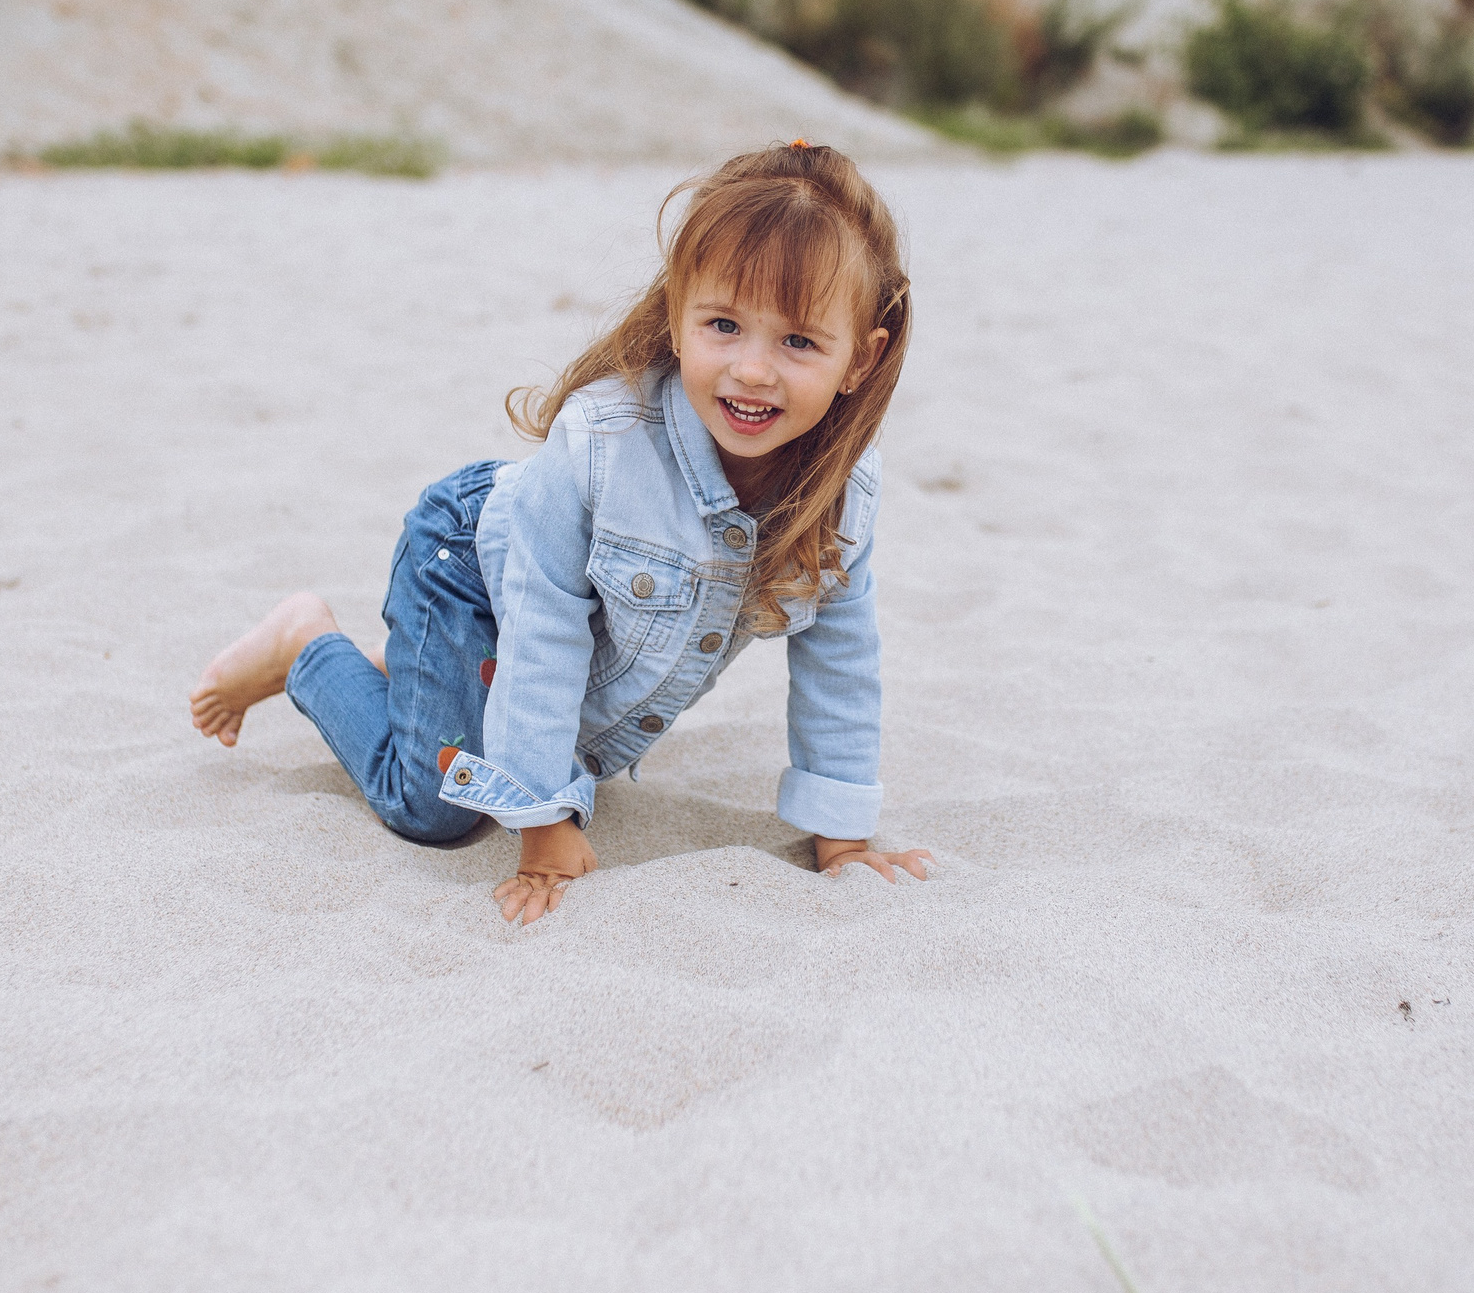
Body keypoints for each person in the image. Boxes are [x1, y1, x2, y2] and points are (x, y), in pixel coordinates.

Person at [189, 141, 933, 924]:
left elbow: (841, 659)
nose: (753, 369)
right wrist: (541, 822)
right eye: (723, 324)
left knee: (531, 741)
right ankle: (307, 645)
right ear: (679, 316)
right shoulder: (603, 444)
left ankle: (418, 666)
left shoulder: (842, 497)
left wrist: (841, 837)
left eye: (799, 341)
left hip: (544, 610)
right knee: (433, 807)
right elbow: (544, 626)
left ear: (860, 358)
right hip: (470, 563)